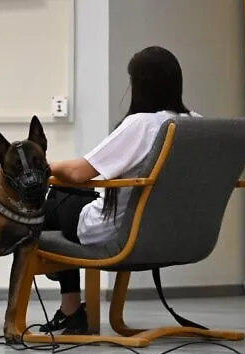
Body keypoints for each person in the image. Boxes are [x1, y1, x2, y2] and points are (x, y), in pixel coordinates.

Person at [39, 45, 196, 335]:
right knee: (79, 196)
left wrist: (49, 166)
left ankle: (69, 305)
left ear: (140, 85)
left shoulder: (142, 124)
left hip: (115, 230)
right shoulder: (195, 123)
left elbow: (78, 172)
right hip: (175, 234)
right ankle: (68, 303)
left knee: (51, 198)